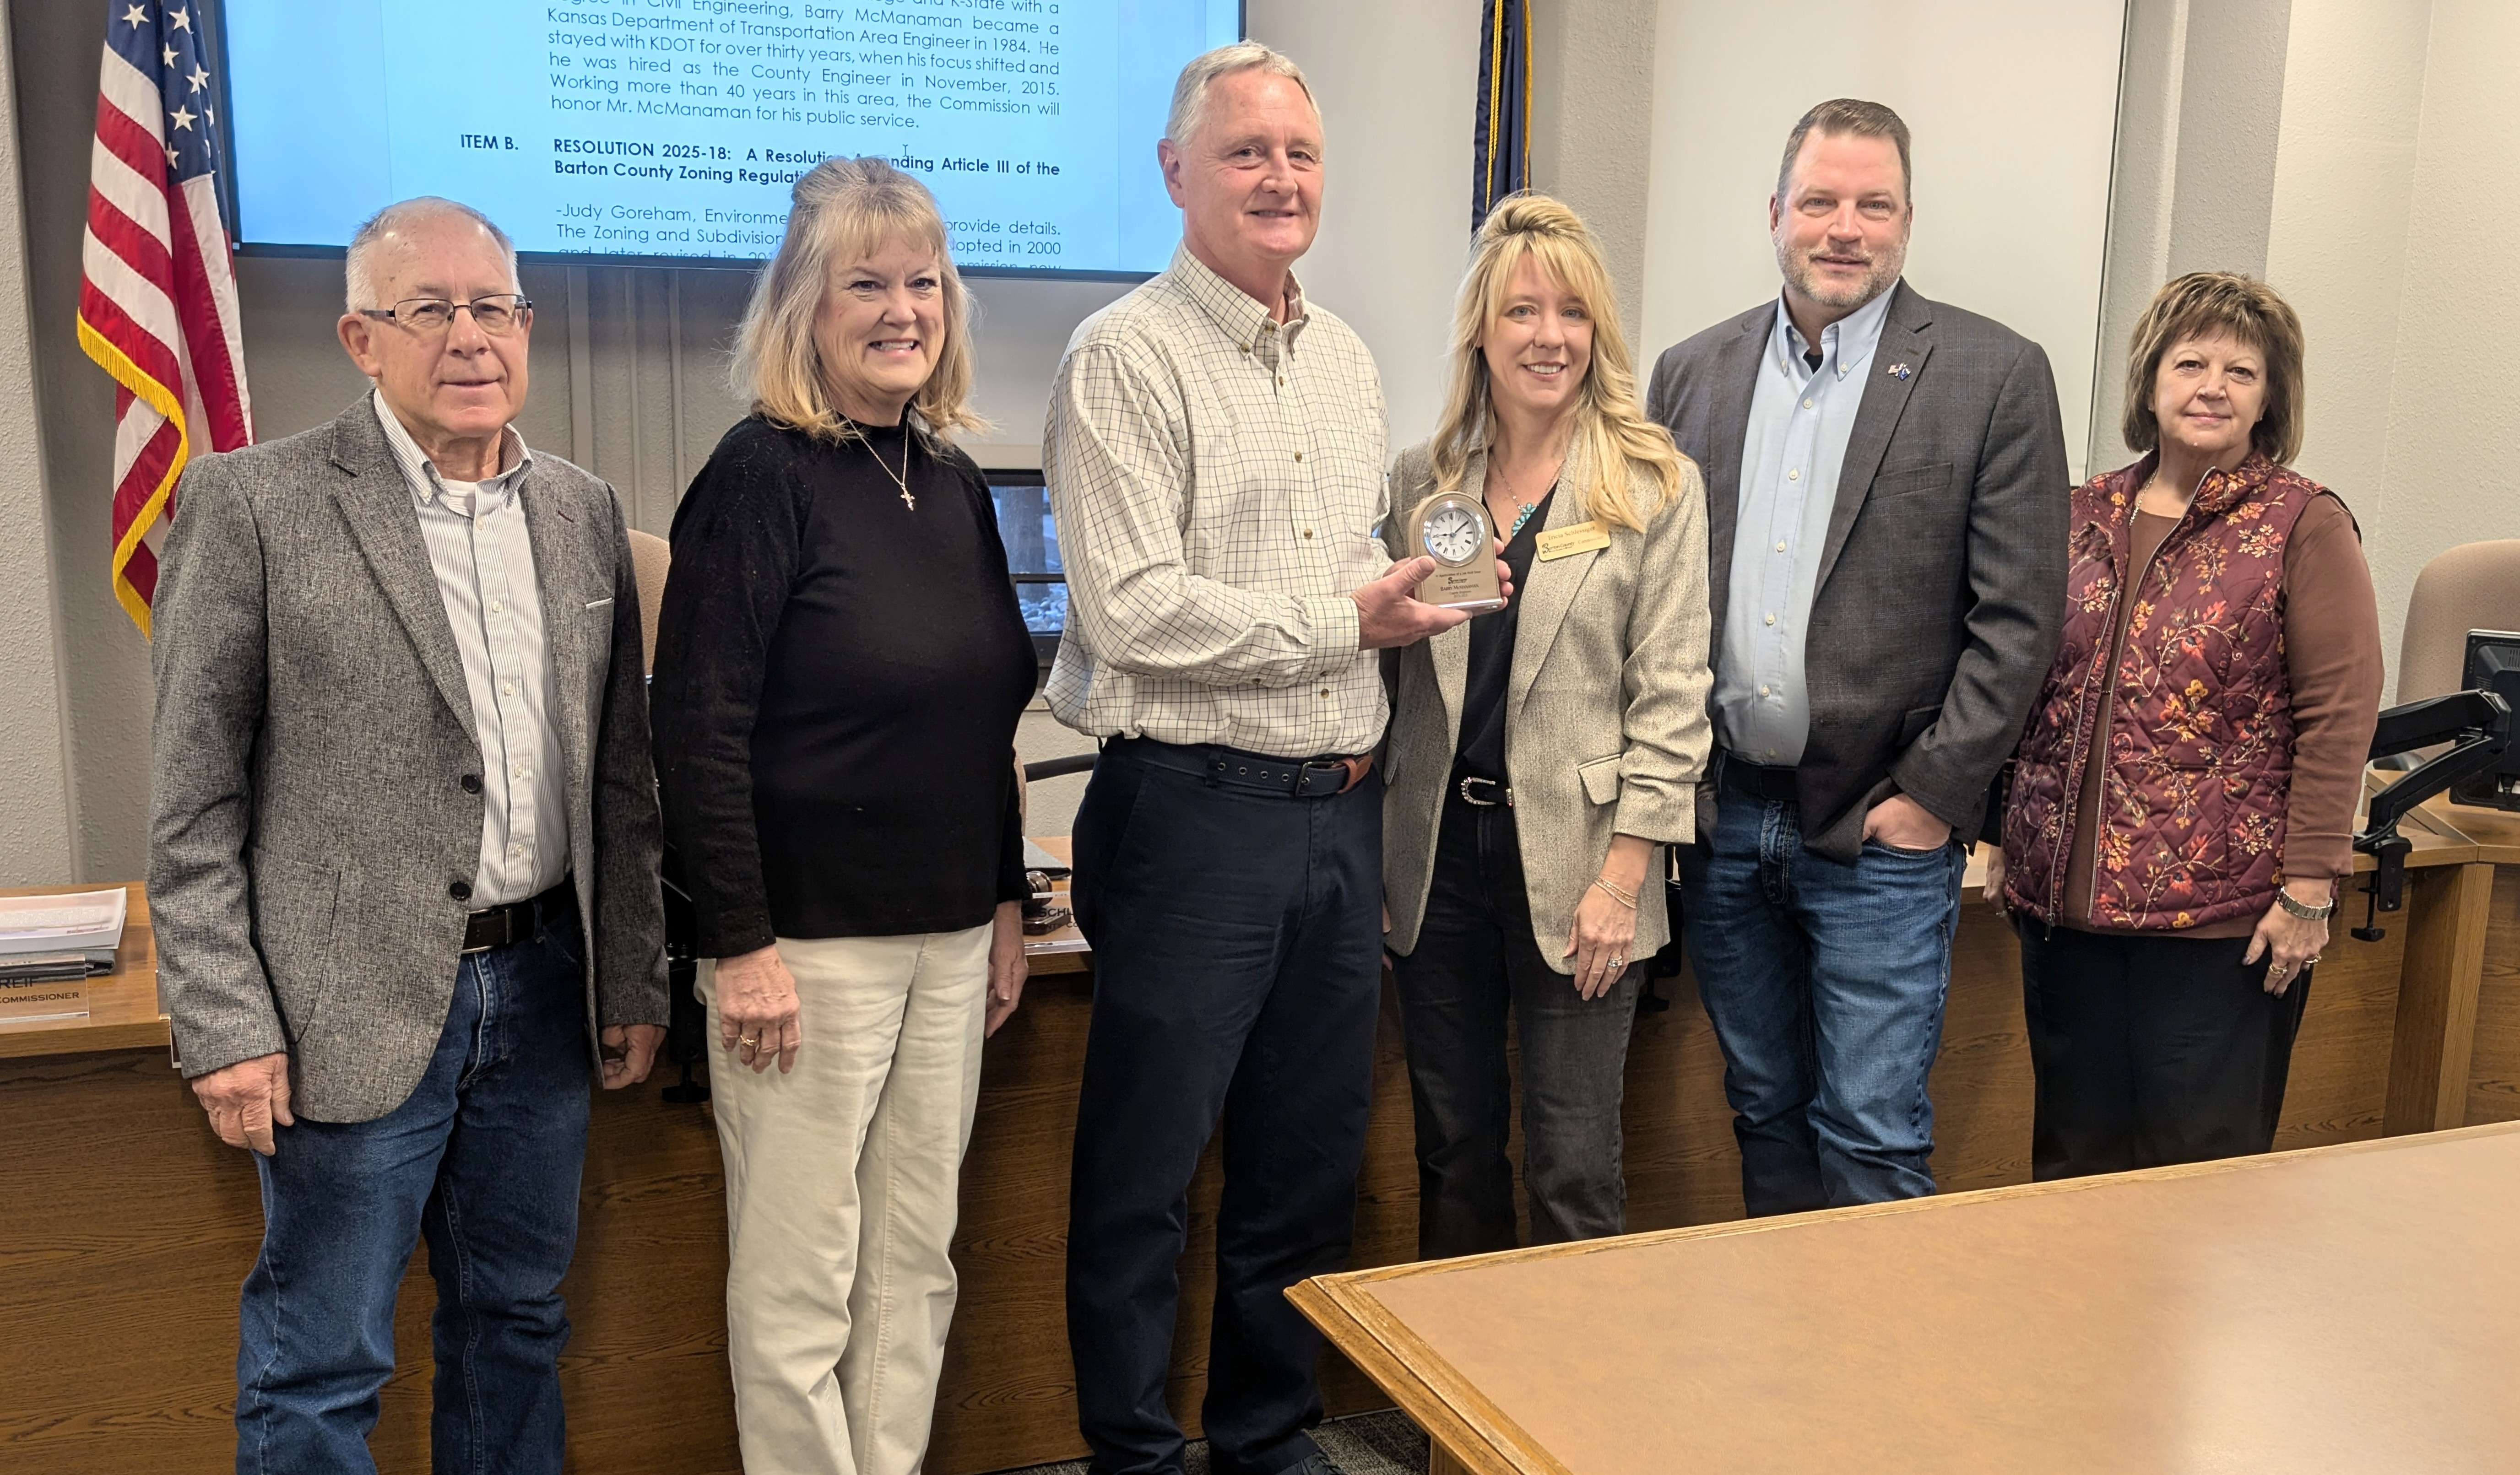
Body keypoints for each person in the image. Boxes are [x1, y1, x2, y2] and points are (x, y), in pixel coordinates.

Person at [1046, 42, 1510, 1475]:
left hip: (1336, 818)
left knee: (1304, 1164)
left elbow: (1351, 564)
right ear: (1175, 173)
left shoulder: (1347, 359)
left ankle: (1265, 1437)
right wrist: (1346, 620)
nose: (1280, 178)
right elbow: (1131, 609)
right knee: (1146, 1175)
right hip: (1191, 819)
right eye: (1246, 152)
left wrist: (1419, 591)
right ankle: (1133, 1454)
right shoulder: (1122, 355)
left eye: (1300, 154)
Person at [147, 197, 667, 1473]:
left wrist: (632, 977)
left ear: (525, 328)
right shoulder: (254, 503)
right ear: (361, 339)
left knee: (516, 1326)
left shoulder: (583, 511)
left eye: (493, 307)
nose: (468, 337)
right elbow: (192, 800)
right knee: (321, 1365)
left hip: (542, 992)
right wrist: (225, 1022)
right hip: (344, 1006)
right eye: (427, 310)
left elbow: (620, 780)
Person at [647, 157, 1036, 1475]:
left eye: (922, 282)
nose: (901, 310)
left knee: (914, 1264)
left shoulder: (952, 478)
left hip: (949, 938)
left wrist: (1003, 901)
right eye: (864, 283)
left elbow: (982, 719)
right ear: (803, 307)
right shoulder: (758, 475)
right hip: (803, 953)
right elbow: (695, 729)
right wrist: (741, 944)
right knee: (801, 1282)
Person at [1645, 98, 2068, 1214]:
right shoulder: (1689, 374)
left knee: (1872, 1135)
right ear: (1773, 213)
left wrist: (1931, 798)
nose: (1844, 228)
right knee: (1762, 1109)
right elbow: (1658, 599)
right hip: (1726, 817)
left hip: (1879, 826)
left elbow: (2018, 616)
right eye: (1819, 201)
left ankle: (1873, 1339)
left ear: (1907, 221)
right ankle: (1785, 1329)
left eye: (1872, 206)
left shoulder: (1992, 372)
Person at [1989, 273, 2382, 1179]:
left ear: (2268, 398)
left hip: (2219, 928)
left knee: (2199, 1187)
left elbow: (2338, 715)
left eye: (2240, 372)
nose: (2212, 387)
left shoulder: (2302, 523)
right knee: (2071, 1171)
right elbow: (2028, 687)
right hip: (2065, 920)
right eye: (2190, 363)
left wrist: (2309, 889)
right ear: (2150, 380)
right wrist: (2004, 831)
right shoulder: (2080, 513)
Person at [1381, 194, 1712, 1258]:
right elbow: (1389, 668)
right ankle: (1453, 1371)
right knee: (1453, 1153)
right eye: (1521, 311)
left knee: (1573, 1164)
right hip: (1438, 864)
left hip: (1584, 867)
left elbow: (1672, 698)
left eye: (1572, 313)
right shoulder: (1420, 481)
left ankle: (1572, 1370)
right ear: (1480, 330)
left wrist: (1624, 877)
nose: (1548, 336)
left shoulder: (1652, 484)